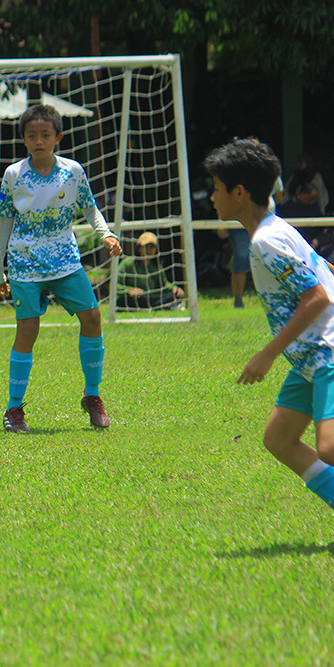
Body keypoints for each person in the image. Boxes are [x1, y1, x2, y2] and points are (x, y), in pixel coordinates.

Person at [203, 137, 334, 517]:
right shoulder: (276, 227)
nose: (212, 197)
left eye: (217, 188)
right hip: (310, 359)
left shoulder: (266, 243)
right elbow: (323, 273)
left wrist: (266, 355)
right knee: (279, 439)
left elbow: (317, 298)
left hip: (326, 351)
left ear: (239, 192)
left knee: (328, 447)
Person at [0, 104, 123, 432]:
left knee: (92, 318)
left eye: (45, 135)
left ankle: (92, 396)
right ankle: (14, 410)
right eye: (32, 135)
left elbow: (90, 209)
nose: (39, 141)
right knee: (28, 331)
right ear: (23, 139)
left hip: (65, 260)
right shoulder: (14, 175)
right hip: (25, 264)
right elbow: (4, 224)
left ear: (58, 137)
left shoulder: (73, 171)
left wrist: (105, 234)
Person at [219, 174, 284, 308]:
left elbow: (278, 197)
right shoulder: (234, 170)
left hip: (266, 222)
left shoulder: (270, 171)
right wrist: (222, 221)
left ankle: (277, 297)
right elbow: (224, 197)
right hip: (239, 224)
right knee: (241, 258)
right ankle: (238, 301)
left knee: (272, 259)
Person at [116, 232, 185, 311]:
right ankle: (163, 306)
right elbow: (115, 285)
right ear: (139, 248)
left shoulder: (156, 265)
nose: (149, 250)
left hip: (151, 298)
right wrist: (130, 290)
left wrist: (175, 289)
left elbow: (164, 284)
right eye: (146, 247)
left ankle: (159, 306)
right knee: (137, 299)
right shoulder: (127, 263)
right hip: (132, 299)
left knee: (173, 295)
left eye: (152, 247)